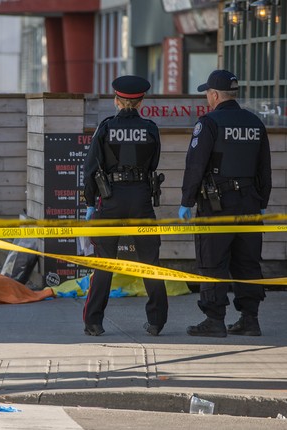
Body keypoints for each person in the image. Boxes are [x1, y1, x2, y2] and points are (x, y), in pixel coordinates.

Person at [179, 70, 272, 337]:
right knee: (248, 261)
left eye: (208, 93)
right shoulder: (255, 123)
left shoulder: (208, 123)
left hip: (216, 205)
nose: (207, 98)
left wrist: (187, 201)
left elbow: (195, 166)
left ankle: (214, 320)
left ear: (215, 95)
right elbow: (264, 169)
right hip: (250, 204)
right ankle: (250, 319)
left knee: (212, 261)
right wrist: (262, 202)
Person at [81, 75, 168, 337]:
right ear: (141, 101)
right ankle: (156, 322)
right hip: (141, 197)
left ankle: (94, 322)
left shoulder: (106, 128)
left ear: (116, 100)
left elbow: (91, 168)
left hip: (111, 199)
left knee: (104, 263)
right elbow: (153, 164)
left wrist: (89, 203)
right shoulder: (151, 128)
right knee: (150, 262)